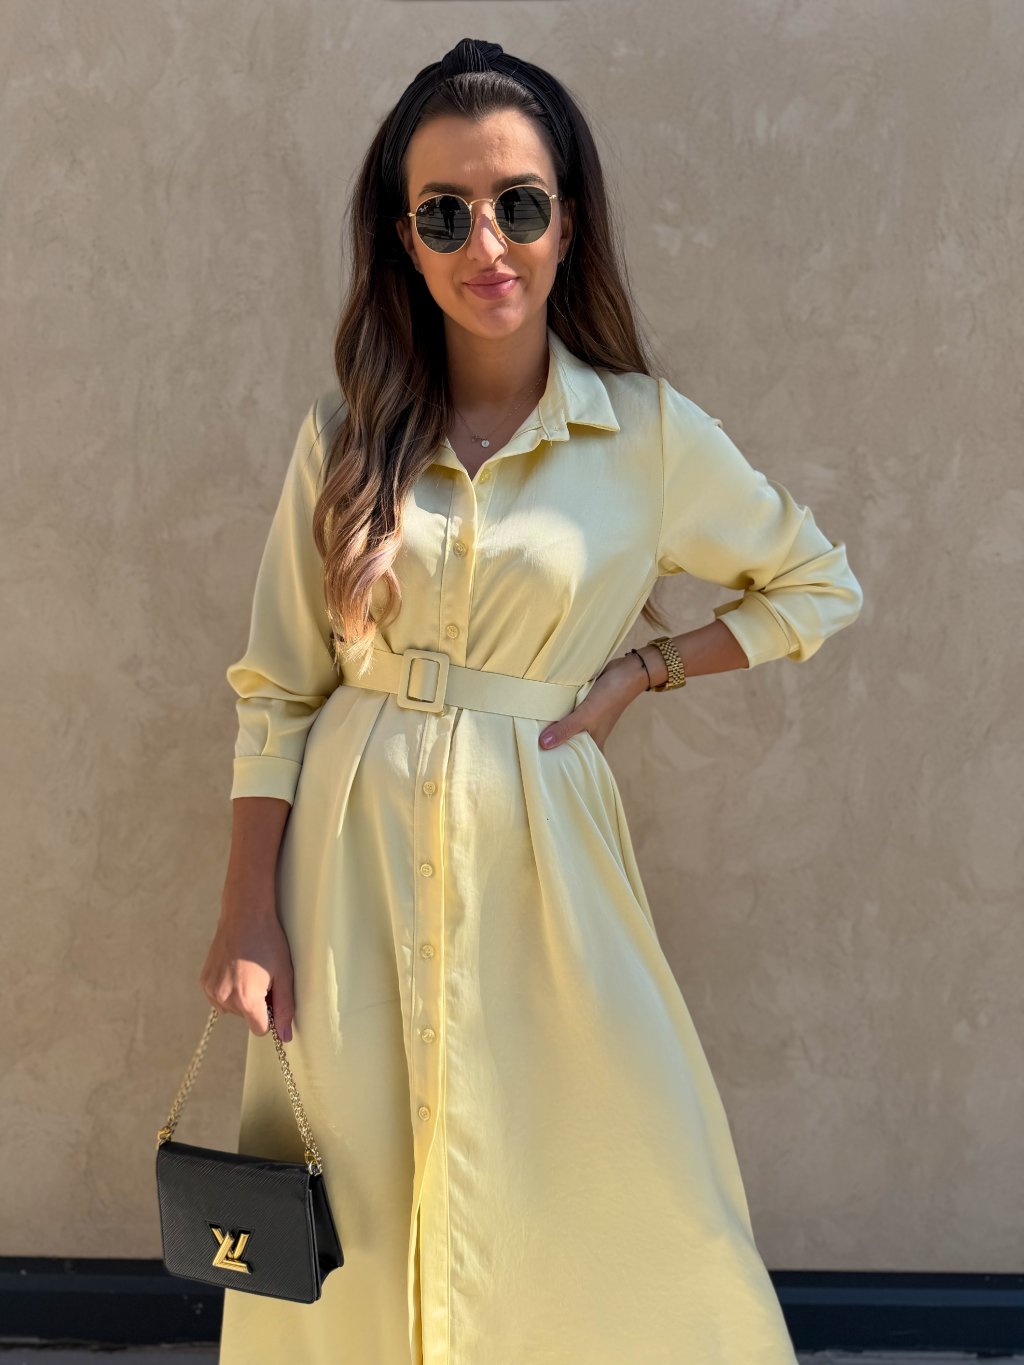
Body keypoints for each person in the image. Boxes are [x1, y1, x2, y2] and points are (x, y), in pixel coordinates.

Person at [203, 36, 863, 1365]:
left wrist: (643, 670)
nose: (487, 242)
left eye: (518, 203)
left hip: (546, 860)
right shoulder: (344, 436)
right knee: (361, 1185)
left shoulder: (645, 434)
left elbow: (814, 584)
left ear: (569, 220)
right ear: (405, 240)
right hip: (348, 865)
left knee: (605, 1159)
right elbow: (279, 686)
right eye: (445, 213)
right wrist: (247, 908)